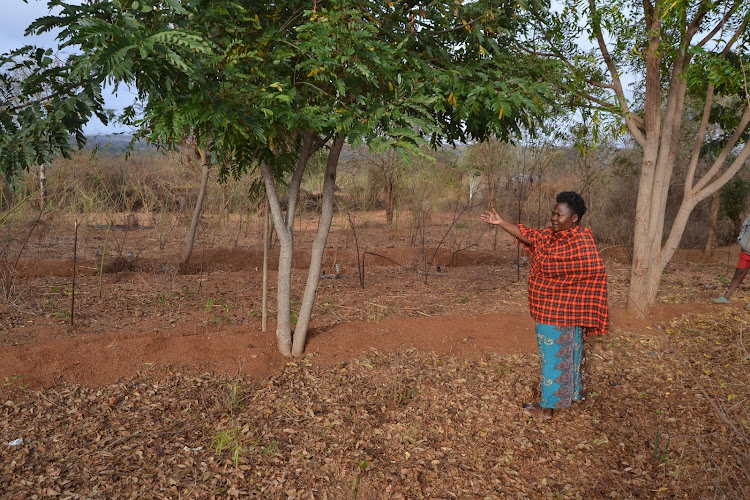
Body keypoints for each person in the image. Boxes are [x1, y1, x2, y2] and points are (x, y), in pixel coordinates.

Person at [481, 191, 609, 419]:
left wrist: (573, 294)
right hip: (548, 310)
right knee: (563, 357)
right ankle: (568, 397)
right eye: (553, 213)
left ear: (574, 218)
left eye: (559, 215)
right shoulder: (550, 237)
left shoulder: (581, 241)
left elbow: (595, 270)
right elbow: (527, 234)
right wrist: (501, 222)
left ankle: (547, 408)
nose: (553, 218)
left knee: (556, 360)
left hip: (565, 314)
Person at [714, 219, 750, 310]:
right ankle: (726, 296)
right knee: (739, 273)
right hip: (746, 251)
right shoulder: (749, 219)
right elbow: (744, 228)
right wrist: (741, 240)